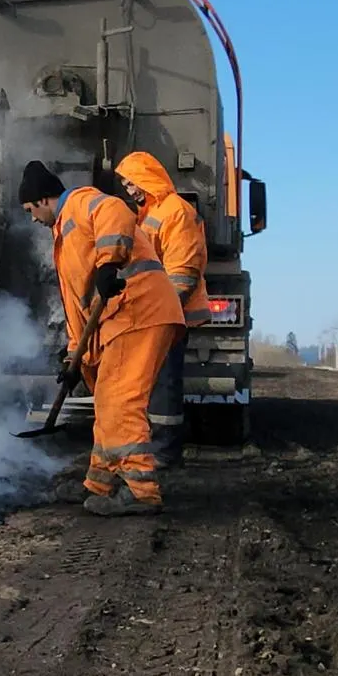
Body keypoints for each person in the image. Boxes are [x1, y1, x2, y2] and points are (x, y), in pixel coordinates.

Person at [16, 160, 183, 516]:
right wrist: (75, 358)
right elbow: (79, 309)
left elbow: (116, 211)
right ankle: (99, 484)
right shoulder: (63, 237)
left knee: (121, 403)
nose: (31, 218)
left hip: (139, 311)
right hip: (125, 319)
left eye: (30, 209)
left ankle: (141, 491)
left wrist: (109, 263)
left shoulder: (82, 202)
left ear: (44, 200)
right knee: (107, 403)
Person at [115, 150, 208, 469]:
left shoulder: (175, 212)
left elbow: (183, 273)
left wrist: (160, 313)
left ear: (148, 177)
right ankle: (154, 447)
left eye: (132, 183)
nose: (130, 190)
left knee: (165, 383)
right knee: (153, 384)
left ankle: (166, 451)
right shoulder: (150, 213)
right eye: (126, 186)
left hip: (168, 315)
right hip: (155, 313)